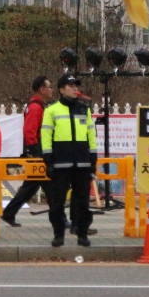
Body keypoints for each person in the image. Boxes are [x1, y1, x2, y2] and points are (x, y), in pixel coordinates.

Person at [41, 74, 97, 247]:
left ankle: (82, 234)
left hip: (82, 163)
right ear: (61, 89)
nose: (75, 89)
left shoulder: (84, 109)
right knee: (57, 203)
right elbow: (46, 136)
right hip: (60, 164)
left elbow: (91, 135)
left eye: (76, 86)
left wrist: (93, 159)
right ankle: (59, 235)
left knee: (83, 203)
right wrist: (48, 162)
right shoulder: (52, 110)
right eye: (71, 86)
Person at [2, 76, 53, 227]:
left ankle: (9, 213)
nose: (51, 90)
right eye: (49, 87)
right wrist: (37, 151)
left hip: (37, 151)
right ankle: (60, 220)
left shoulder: (37, 106)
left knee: (31, 187)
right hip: (38, 152)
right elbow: (29, 131)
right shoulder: (36, 107)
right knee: (49, 186)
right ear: (42, 90)